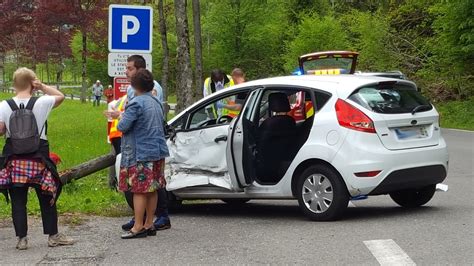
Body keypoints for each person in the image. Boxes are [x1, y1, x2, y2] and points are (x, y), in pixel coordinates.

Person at [0, 67, 74, 250]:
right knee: (47, 195)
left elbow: (1, 130)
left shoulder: (4, 105)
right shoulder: (42, 102)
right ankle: (53, 236)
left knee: (18, 200)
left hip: (14, 160)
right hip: (38, 158)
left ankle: (22, 239)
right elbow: (61, 96)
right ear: (32, 83)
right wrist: (42, 87)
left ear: (14, 84)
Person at [105, 55, 171, 232]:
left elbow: (124, 125)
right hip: (157, 150)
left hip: (140, 152)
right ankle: (150, 223)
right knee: (153, 188)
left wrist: (119, 118)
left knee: (139, 190)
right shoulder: (155, 102)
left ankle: (138, 225)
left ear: (135, 85)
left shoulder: (136, 103)